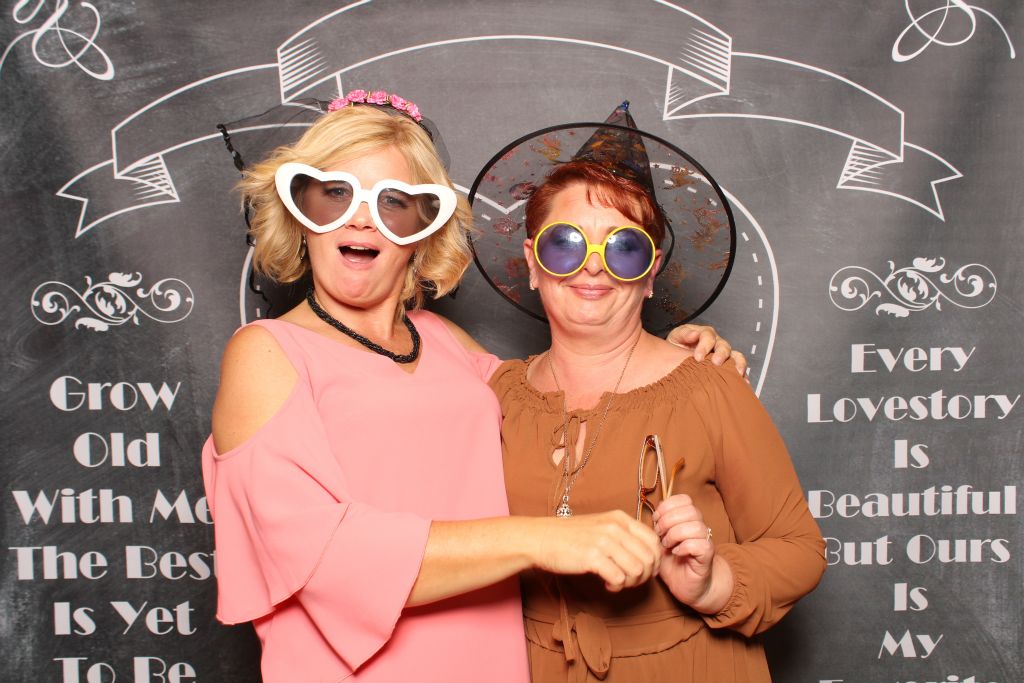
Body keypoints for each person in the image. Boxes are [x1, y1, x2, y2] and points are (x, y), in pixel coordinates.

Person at [202, 91, 740, 682]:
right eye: (334, 194)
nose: (359, 218)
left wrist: (669, 351)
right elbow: (322, 556)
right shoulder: (267, 352)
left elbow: (561, 403)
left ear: (423, 229)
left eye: (392, 202)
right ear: (299, 214)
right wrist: (542, 540)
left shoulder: (447, 343)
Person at [475, 103, 826, 681]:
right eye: (565, 244)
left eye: (623, 248)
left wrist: (712, 584)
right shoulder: (495, 394)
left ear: (651, 271)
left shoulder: (707, 383)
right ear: (532, 263)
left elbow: (797, 547)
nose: (592, 267)